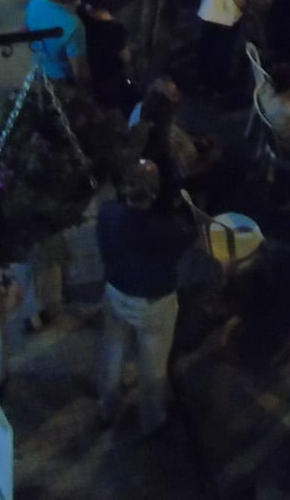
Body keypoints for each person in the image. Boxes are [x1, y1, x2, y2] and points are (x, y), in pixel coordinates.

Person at [96, 158, 193, 436]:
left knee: (112, 352)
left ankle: (107, 407)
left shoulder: (107, 213)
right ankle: (152, 421)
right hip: (154, 304)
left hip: (116, 292)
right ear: (154, 191)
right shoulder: (167, 231)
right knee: (152, 369)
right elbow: (188, 236)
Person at [25, 0, 89, 82]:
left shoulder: (35, 2)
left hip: (39, 69)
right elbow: (79, 73)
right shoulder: (73, 26)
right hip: (60, 79)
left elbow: (27, 31)